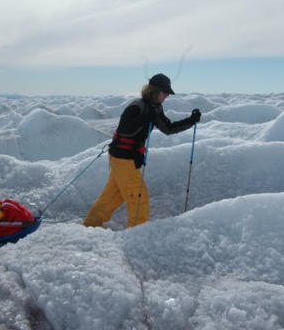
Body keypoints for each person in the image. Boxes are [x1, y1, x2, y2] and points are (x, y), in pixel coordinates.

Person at [83, 73, 201, 228]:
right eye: (165, 92)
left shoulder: (155, 107)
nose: (167, 96)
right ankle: (136, 232)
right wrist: (144, 119)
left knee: (114, 195)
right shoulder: (137, 106)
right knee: (139, 197)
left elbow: (169, 128)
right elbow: (125, 130)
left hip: (127, 158)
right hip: (122, 157)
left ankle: (91, 224)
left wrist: (190, 121)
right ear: (155, 90)